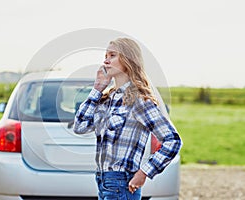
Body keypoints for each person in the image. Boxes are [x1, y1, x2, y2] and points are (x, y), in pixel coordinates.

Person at [73, 38, 182, 200]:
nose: (106, 60)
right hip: (104, 182)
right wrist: (97, 89)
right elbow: (80, 126)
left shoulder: (139, 100)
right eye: (105, 55)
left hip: (121, 184)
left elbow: (173, 140)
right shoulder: (107, 99)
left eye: (112, 55)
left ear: (128, 60)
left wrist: (145, 172)